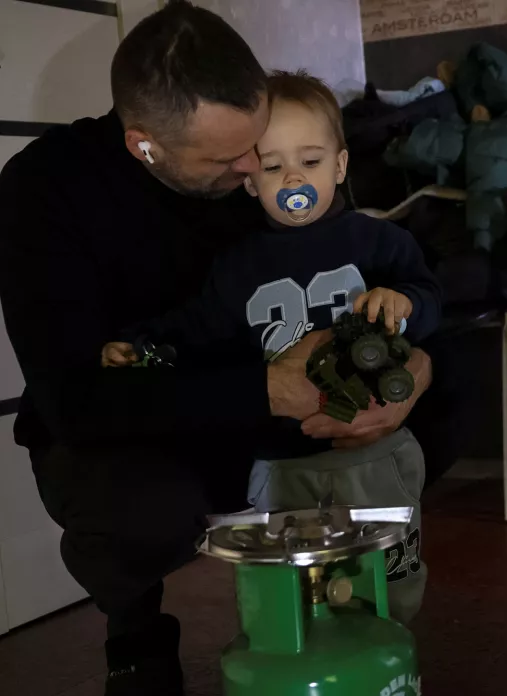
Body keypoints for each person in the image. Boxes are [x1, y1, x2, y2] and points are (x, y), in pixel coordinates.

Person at [0, 2, 431, 696]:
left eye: (257, 146)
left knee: (428, 408)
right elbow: (75, 400)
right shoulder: (44, 191)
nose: (254, 170)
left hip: (281, 394)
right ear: (146, 146)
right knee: (141, 512)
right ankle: (135, 630)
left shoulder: (266, 160)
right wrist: (267, 390)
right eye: (229, 161)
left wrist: (414, 373)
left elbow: (370, 269)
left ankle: (350, 613)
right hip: (138, 420)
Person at [101, 70, 441, 625]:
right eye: (272, 165)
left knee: (388, 581)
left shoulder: (380, 241)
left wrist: (404, 304)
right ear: (248, 180)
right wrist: (142, 346)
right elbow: (197, 328)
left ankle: (386, 665)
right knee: (288, 593)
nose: (292, 179)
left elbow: (431, 298)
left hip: (375, 454)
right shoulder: (238, 265)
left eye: (309, 161)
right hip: (282, 464)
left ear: (340, 165)